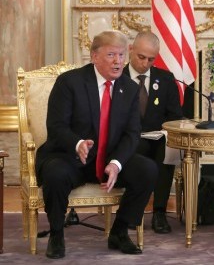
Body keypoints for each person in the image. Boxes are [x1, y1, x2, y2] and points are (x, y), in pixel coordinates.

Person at [36, 30, 158, 259]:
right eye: (111, 54)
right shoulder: (70, 82)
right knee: (55, 173)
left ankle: (120, 231)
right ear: (94, 56)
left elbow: (132, 134)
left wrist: (116, 163)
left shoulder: (129, 89)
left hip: (108, 158)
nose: (118, 61)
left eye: (121, 55)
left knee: (147, 170)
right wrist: (78, 143)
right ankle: (56, 234)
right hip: (71, 157)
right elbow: (56, 125)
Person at [123, 31, 183, 234]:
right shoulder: (117, 77)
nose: (145, 63)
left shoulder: (165, 79)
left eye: (151, 59)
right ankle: (133, 212)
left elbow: (175, 116)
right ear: (131, 50)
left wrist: (163, 131)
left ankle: (159, 212)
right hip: (128, 139)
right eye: (141, 57)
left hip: (158, 138)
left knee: (166, 150)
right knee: (135, 149)